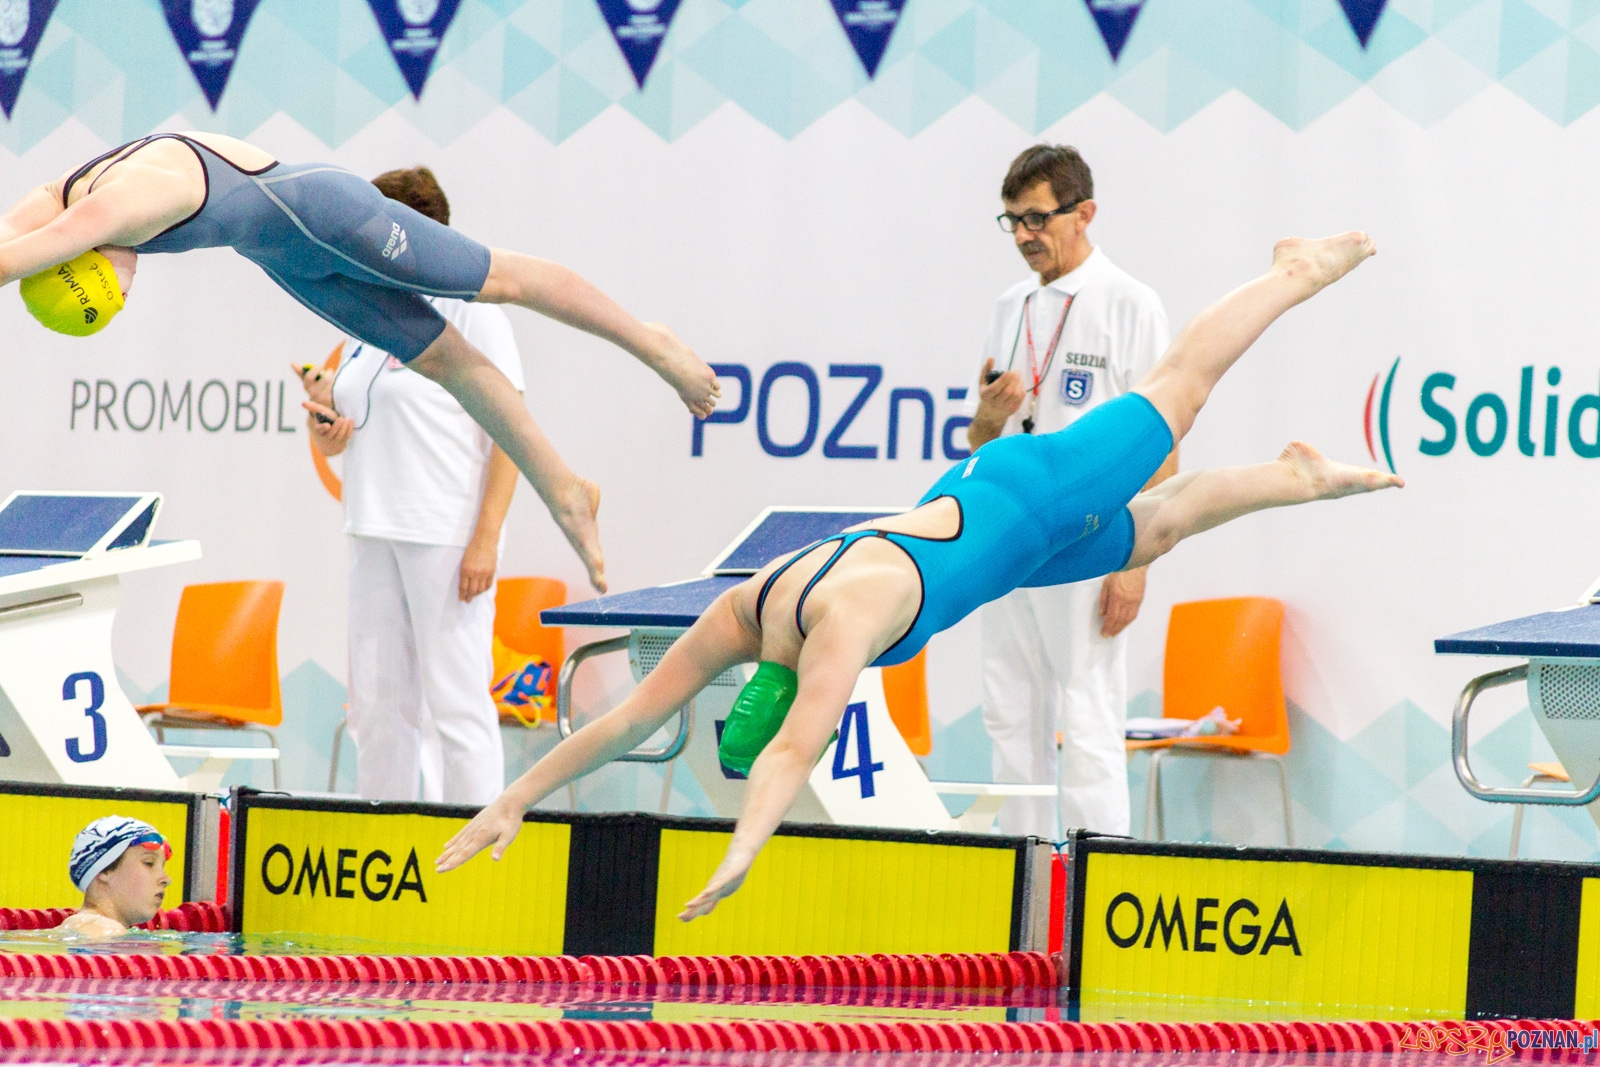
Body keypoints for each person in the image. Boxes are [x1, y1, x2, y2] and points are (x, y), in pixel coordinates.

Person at [437, 233, 1400, 919]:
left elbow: (783, 761)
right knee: (1149, 536)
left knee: (1178, 388)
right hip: (988, 503)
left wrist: (743, 852)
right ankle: (1295, 474)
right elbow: (626, 719)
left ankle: (1291, 274)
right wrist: (512, 798)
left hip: (1033, 497)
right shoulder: (743, 611)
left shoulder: (840, 631)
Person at [0, 132, 722, 592]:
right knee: (448, 362)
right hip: (281, 253)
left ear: (85, 256)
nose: (123, 299)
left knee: (502, 279)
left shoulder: (109, 212)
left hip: (324, 212)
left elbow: (17, 256)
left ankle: (649, 340)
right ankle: (564, 487)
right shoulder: (55, 198)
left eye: (108, 300)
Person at [963, 144, 1174, 838]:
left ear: (1084, 213)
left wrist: (1135, 564)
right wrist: (991, 417)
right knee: (1008, 715)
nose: (1024, 235)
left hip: (1086, 543)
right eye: (1013, 220)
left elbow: (1163, 442)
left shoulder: (1131, 302)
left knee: (1086, 720)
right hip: (1008, 541)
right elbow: (981, 445)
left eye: (1037, 218)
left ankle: (1092, 883)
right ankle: (1016, 884)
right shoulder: (1008, 306)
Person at [298, 166, 522, 806]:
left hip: (445, 535)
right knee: (376, 706)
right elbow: (352, 421)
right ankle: (387, 836)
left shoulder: (473, 317)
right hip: (372, 527)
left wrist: (486, 538)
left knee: (456, 707)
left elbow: (510, 434)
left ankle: (477, 859)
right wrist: (326, 436)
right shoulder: (367, 318)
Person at [55, 816, 172, 938]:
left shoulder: (93, 928)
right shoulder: (103, 930)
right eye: (149, 863)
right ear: (105, 870)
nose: (166, 879)